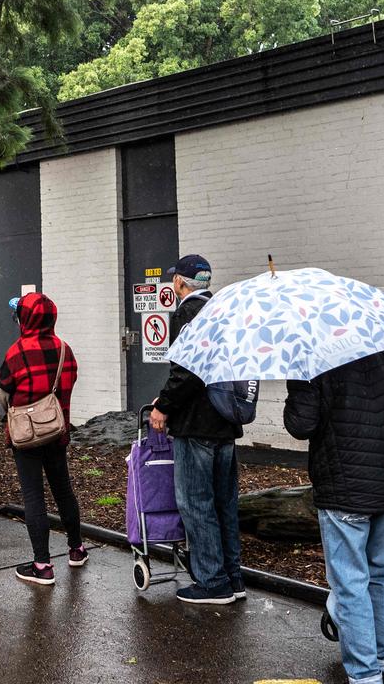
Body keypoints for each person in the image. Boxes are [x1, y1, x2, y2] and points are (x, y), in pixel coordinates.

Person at [284, 351, 384, 684]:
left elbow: (301, 425)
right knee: (381, 575)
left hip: (343, 493)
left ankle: (365, 675)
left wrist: (298, 383)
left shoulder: (312, 362)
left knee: (350, 584)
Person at [149, 254, 245, 605]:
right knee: (224, 503)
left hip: (196, 424)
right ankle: (233, 577)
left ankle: (211, 581)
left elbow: (187, 371)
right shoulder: (224, 311)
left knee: (196, 503)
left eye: (174, 279)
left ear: (180, 282)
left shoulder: (187, 312)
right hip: (225, 422)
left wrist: (163, 406)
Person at [0, 292, 87, 585]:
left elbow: (3, 393)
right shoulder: (64, 350)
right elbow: (69, 383)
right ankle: (76, 549)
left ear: (25, 318)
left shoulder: (16, 352)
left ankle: (42, 566)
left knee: (34, 496)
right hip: (56, 431)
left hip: (25, 435)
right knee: (63, 490)